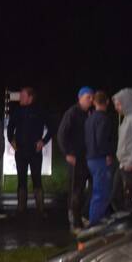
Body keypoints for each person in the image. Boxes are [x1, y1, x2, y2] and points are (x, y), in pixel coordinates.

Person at [7, 87, 54, 216]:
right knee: (21, 180)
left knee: (37, 179)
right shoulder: (17, 111)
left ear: (30, 97)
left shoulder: (40, 110)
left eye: (22, 96)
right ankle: (21, 208)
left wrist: (43, 141)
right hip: (21, 152)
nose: (20, 98)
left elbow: (52, 128)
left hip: (35, 152)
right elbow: (10, 127)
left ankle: (40, 208)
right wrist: (12, 140)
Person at [57, 87, 95, 231]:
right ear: (80, 98)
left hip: (88, 158)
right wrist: (67, 153)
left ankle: (82, 215)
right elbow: (61, 134)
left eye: (92, 97)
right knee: (76, 190)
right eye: (88, 98)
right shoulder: (72, 113)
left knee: (90, 188)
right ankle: (74, 220)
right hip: (75, 158)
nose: (90, 100)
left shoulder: (91, 113)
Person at [85, 90, 116, 226]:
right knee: (101, 192)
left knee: (97, 190)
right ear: (107, 102)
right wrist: (108, 154)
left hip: (90, 158)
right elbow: (102, 139)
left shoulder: (89, 119)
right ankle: (95, 223)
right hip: (100, 159)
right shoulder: (104, 119)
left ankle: (96, 219)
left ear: (94, 102)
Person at [112, 88, 132, 211]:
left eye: (119, 104)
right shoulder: (126, 118)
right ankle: (125, 217)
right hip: (122, 164)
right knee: (117, 195)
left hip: (130, 165)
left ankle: (131, 219)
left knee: (129, 195)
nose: (117, 108)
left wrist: (130, 162)